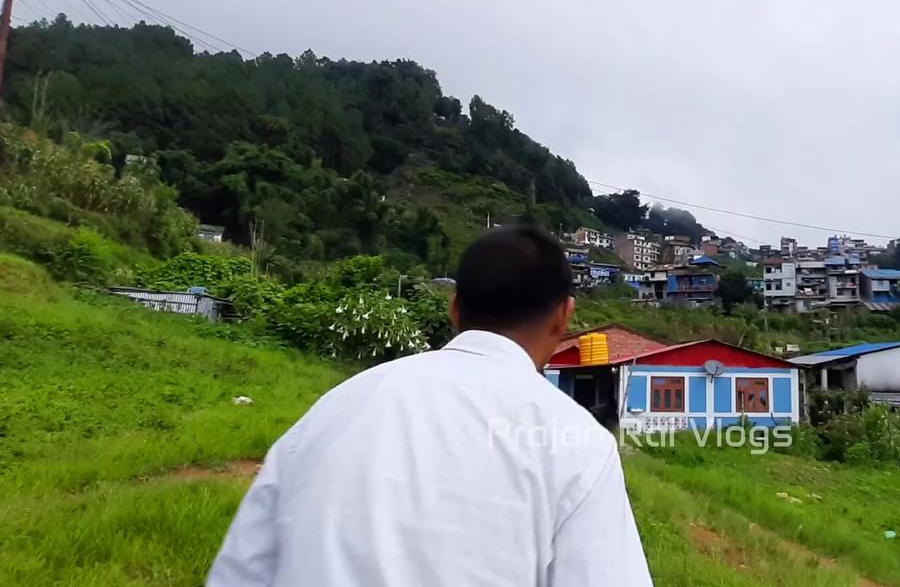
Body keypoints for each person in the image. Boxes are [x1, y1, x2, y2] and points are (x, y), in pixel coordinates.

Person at [207, 226, 652, 587]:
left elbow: (238, 574)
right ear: (564, 316)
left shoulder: (331, 410)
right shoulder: (579, 446)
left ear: (454, 308)